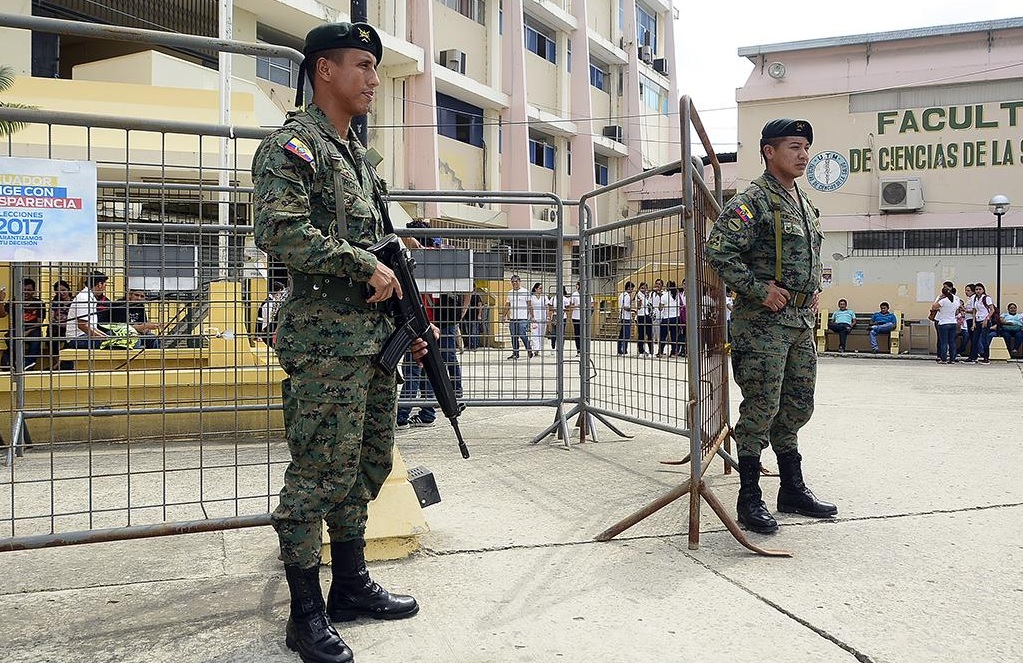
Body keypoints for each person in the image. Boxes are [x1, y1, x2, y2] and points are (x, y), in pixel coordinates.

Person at [251, 22, 429, 663]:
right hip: (326, 342)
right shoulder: (293, 148)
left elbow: (373, 236)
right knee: (317, 475)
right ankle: (305, 613)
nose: (373, 79)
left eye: (375, 67)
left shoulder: (357, 157)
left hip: (373, 337)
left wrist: (395, 266)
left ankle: (350, 586)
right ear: (324, 70)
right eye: (362, 65)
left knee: (367, 464)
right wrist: (363, 264)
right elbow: (278, 232)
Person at [704, 117, 837, 535]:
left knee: (797, 405)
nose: (803, 155)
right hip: (763, 325)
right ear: (769, 151)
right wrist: (758, 290)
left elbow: (805, 258)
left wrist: (811, 289)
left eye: (805, 148)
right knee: (762, 406)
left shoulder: (801, 201)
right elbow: (718, 251)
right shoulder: (755, 200)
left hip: (799, 321)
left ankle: (791, 490)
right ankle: (749, 497)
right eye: (794, 147)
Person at [0, 277, 46, 370]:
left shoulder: (39, 303)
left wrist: (27, 332)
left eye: (29, 290)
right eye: (23, 290)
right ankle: (16, 362)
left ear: (34, 291)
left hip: (33, 329)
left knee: (36, 339)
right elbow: (2, 315)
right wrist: (1, 301)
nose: (26, 292)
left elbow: (39, 323)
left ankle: (28, 364)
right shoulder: (14, 301)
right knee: (10, 338)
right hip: (16, 329)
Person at [65, 272, 114, 350]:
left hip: (84, 335)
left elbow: (91, 327)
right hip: (77, 338)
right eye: (105, 285)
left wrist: (105, 337)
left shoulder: (89, 297)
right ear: (100, 284)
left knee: (111, 336)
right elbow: (82, 325)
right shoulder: (84, 298)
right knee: (114, 345)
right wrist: (102, 338)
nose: (105, 288)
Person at [930, 281, 962, 364]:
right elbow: (957, 310)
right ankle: (952, 359)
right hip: (953, 322)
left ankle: (943, 358)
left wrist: (940, 298)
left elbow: (933, 307)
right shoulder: (955, 300)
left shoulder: (943, 300)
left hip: (943, 322)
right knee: (952, 342)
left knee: (943, 342)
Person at [501, 275, 530, 360]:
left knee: (522, 334)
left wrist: (531, 316)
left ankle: (529, 349)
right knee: (514, 337)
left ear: (519, 282)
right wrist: (503, 315)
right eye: (512, 282)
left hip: (523, 318)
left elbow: (529, 304)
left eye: (516, 281)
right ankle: (515, 353)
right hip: (513, 318)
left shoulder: (525, 291)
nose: (514, 283)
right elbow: (507, 305)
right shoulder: (510, 293)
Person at [965, 282, 995, 364]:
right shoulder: (975, 299)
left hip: (985, 320)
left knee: (984, 339)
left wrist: (987, 319)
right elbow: (974, 311)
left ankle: (986, 357)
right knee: (975, 339)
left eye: (980, 289)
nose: (978, 291)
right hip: (977, 320)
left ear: (983, 290)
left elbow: (992, 310)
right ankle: (973, 357)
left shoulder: (986, 298)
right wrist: (974, 322)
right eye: (976, 289)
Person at [258, 280, 290, 347]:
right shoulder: (269, 303)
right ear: (278, 291)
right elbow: (269, 319)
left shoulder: (271, 301)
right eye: (281, 292)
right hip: (266, 333)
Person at [527, 282, 549, 358]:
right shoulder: (531, 297)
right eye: (540, 288)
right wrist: (531, 317)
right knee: (534, 334)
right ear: (536, 289)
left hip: (543, 318)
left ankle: (540, 349)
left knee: (541, 334)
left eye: (542, 288)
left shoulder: (544, 297)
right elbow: (530, 307)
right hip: (534, 318)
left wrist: (548, 316)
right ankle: (535, 349)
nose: (541, 290)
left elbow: (547, 307)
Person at [635, 282, 653, 357]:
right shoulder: (638, 295)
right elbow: (638, 307)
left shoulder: (647, 295)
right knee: (641, 334)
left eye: (645, 288)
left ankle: (651, 351)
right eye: (642, 288)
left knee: (649, 334)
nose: (644, 289)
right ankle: (641, 351)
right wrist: (640, 302)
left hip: (647, 315)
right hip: (641, 316)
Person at [616, 281, 634, 355]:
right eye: (632, 288)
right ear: (629, 288)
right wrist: (633, 309)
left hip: (622, 316)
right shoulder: (627, 296)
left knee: (621, 334)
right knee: (626, 335)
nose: (632, 290)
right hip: (626, 317)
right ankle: (623, 349)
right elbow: (625, 307)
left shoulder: (621, 295)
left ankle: (620, 349)